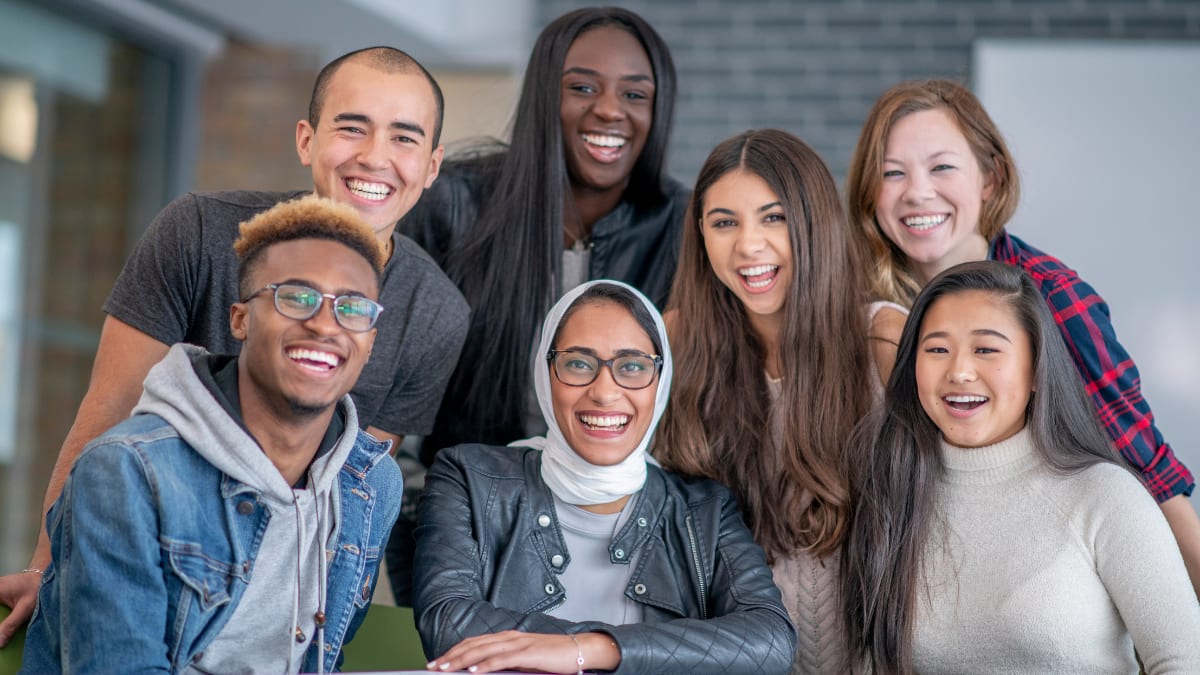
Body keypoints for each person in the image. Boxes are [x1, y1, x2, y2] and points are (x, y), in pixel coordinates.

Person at [0, 46, 470, 645]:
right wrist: (48, 566)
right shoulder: (196, 232)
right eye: (352, 128)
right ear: (306, 140)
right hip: (141, 559)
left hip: (269, 610)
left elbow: (343, 492)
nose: (374, 157)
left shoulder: (437, 313)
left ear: (432, 166)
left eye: (404, 139)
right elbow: (107, 412)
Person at [845, 77, 1200, 596]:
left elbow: (1147, 469)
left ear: (989, 178)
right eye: (891, 173)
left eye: (942, 167)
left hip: (1043, 586)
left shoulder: (1053, 298)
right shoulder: (855, 303)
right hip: (913, 587)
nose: (917, 192)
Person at [20, 196, 404, 673]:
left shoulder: (370, 484)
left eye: (353, 307)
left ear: (371, 340)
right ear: (240, 320)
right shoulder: (126, 472)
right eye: (296, 297)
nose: (325, 324)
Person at [412, 281, 795, 675]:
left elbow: (771, 642)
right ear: (546, 373)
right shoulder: (469, 479)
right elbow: (448, 621)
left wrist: (591, 649)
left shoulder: (704, 509)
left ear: (660, 383)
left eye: (632, 366)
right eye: (578, 363)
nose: (605, 392)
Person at [841, 260, 1200, 673]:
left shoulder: (1105, 495)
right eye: (937, 349)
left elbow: (1183, 660)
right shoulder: (892, 495)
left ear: (1035, 370)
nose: (958, 371)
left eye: (986, 350)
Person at [401, 6, 688, 455]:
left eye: (635, 95)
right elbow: (393, 366)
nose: (610, 109)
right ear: (543, 95)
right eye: (582, 87)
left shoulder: (684, 227)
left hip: (617, 505)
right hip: (468, 497)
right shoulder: (453, 203)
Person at [653, 129, 889, 674]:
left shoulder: (881, 340)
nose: (748, 245)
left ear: (814, 221)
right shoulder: (673, 341)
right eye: (724, 222)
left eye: (773, 217)